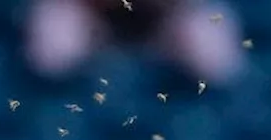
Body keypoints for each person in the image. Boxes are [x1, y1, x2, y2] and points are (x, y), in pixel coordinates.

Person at [26, 0, 244, 84]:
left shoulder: (200, 20)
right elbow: (48, 67)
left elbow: (225, 74)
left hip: (167, 25)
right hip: (86, 21)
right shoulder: (58, 17)